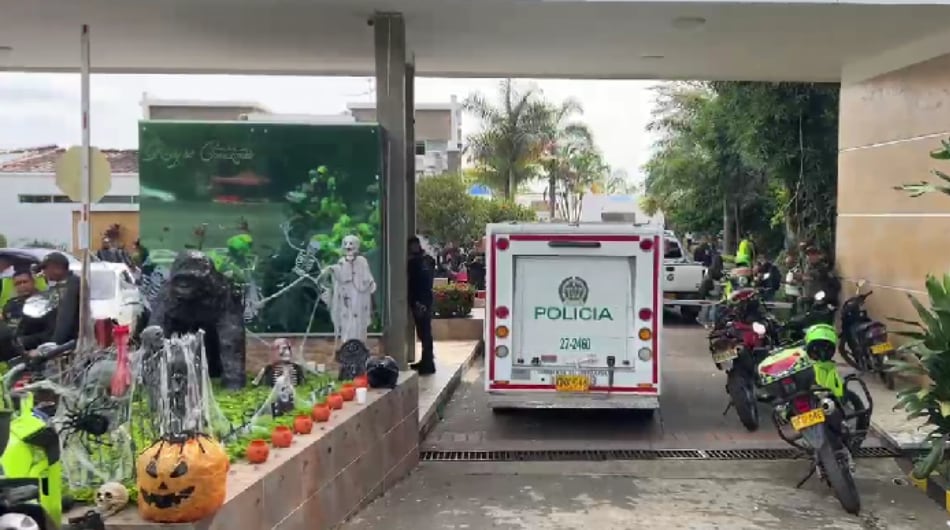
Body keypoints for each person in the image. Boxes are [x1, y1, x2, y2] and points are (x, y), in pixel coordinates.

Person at [408, 236, 435, 376]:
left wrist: (419, 302)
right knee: (424, 333)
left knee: (424, 333)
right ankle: (427, 361)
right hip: (424, 300)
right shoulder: (427, 260)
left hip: (421, 301)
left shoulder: (417, 262)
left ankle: (428, 363)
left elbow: (420, 284)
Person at [41, 252, 81, 346]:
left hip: (69, 341)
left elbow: (65, 318)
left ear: (58, 268)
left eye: (45, 268)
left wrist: (54, 345)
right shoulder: (62, 285)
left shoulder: (71, 284)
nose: (44, 272)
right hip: (60, 338)